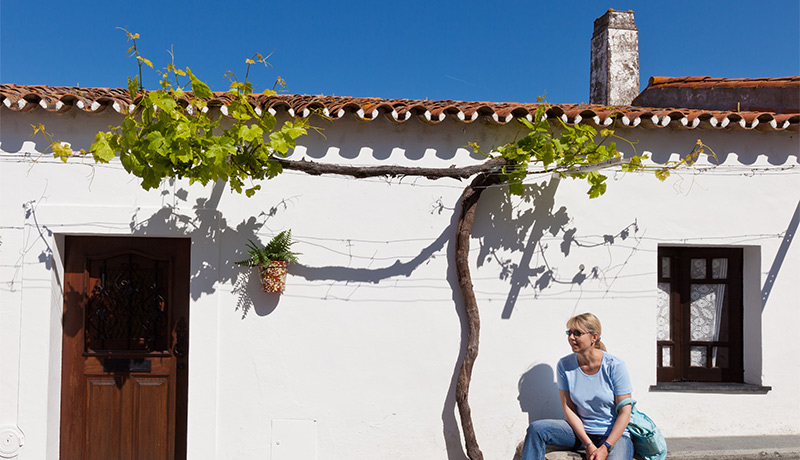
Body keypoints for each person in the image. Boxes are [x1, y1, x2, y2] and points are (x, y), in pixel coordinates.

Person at [521, 313, 634, 460]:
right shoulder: (565, 365)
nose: (571, 337)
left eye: (577, 333)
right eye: (569, 333)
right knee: (537, 429)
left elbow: (625, 412)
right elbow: (568, 408)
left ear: (594, 337)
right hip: (580, 433)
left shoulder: (615, 366)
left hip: (614, 436)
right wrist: (588, 444)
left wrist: (606, 447)